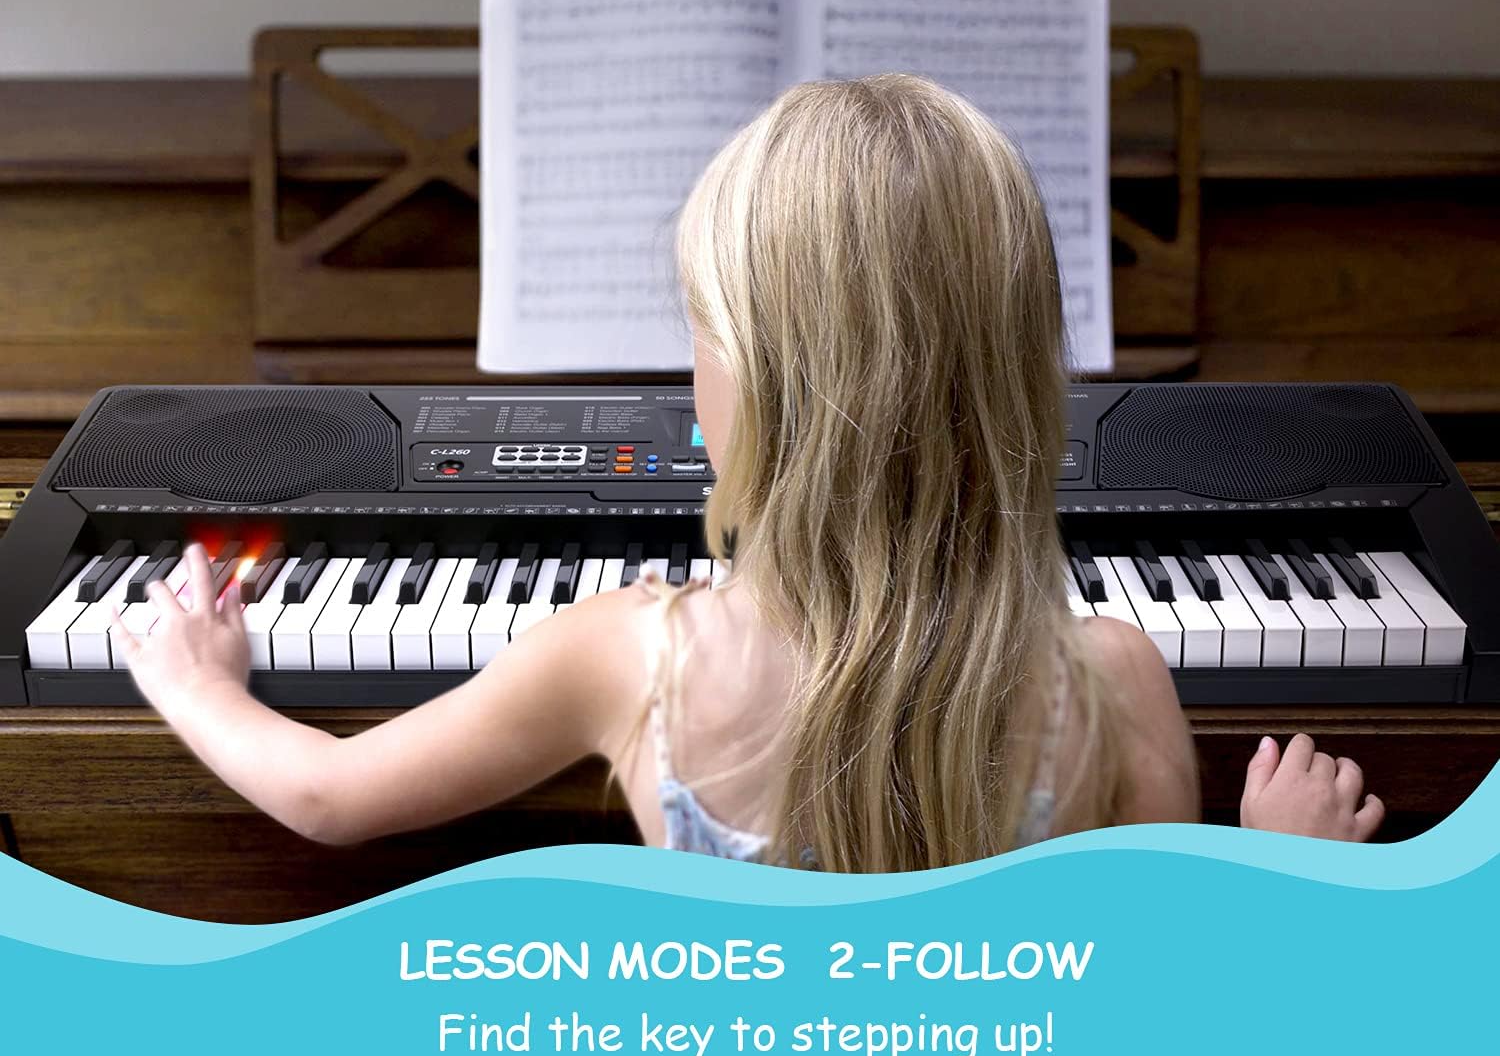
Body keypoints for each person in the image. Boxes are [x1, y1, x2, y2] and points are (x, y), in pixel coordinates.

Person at [114, 75, 1385, 868]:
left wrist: (195, 682)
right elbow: (1163, 986)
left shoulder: (631, 656)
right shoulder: (1114, 683)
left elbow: (329, 797)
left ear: (750, 387)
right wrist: (1287, 875)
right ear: (1017, 372)